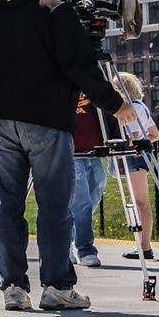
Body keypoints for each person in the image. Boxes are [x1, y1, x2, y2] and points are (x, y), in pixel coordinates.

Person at [0, 0, 137, 311]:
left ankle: (13, 287)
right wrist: (116, 105)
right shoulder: (56, 11)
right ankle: (58, 287)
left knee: (7, 202)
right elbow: (80, 68)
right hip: (45, 119)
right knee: (53, 205)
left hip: (1, 121)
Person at [115, 72, 159, 260]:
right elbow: (155, 134)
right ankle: (144, 245)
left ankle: (145, 246)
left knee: (141, 203)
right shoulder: (142, 106)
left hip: (135, 158)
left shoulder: (131, 109)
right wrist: (144, 143)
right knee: (142, 202)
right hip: (142, 156)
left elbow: (132, 137)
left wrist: (132, 145)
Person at [68, 92, 109, 269]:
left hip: (94, 152)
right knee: (81, 203)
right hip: (73, 153)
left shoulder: (91, 80)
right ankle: (85, 249)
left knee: (94, 195)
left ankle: (66, 240)